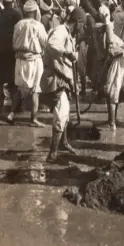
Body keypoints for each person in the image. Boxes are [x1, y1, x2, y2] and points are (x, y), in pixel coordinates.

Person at [41, 14, 80, 162]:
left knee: (66, 114)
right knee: (61, 114)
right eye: (82, 25)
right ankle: (53, 154)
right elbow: (52, 45)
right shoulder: (61, 31)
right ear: (76, 23)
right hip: (55, 78)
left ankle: (63, 143)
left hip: (63, 78)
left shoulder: (68, 34)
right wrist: (66, 53)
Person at [6, 0, 48, 127]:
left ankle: (11, 114)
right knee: (35, 89)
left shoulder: (18, 24)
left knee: (19, 88)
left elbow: (14, 42)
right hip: (34, 60)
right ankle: (33, 119)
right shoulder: (38, 26)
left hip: (20, 59)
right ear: (35, 12)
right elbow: (45, 43)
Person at [0, 0, 21, 112]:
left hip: (3, 44)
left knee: (1, 67)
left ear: (3, 2)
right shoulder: (16, 14)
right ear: (12, 2)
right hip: (13, 44)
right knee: (12, 67)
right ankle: (13, 89)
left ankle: (1, 91)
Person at [104, 33, 124, 130]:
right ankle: (112, 121)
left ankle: (112, 123)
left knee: (112, 95)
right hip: (123, 62)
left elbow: (110, 54)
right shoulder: (115, 37)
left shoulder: (111, 36)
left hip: (119, 65)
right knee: (114, 95)